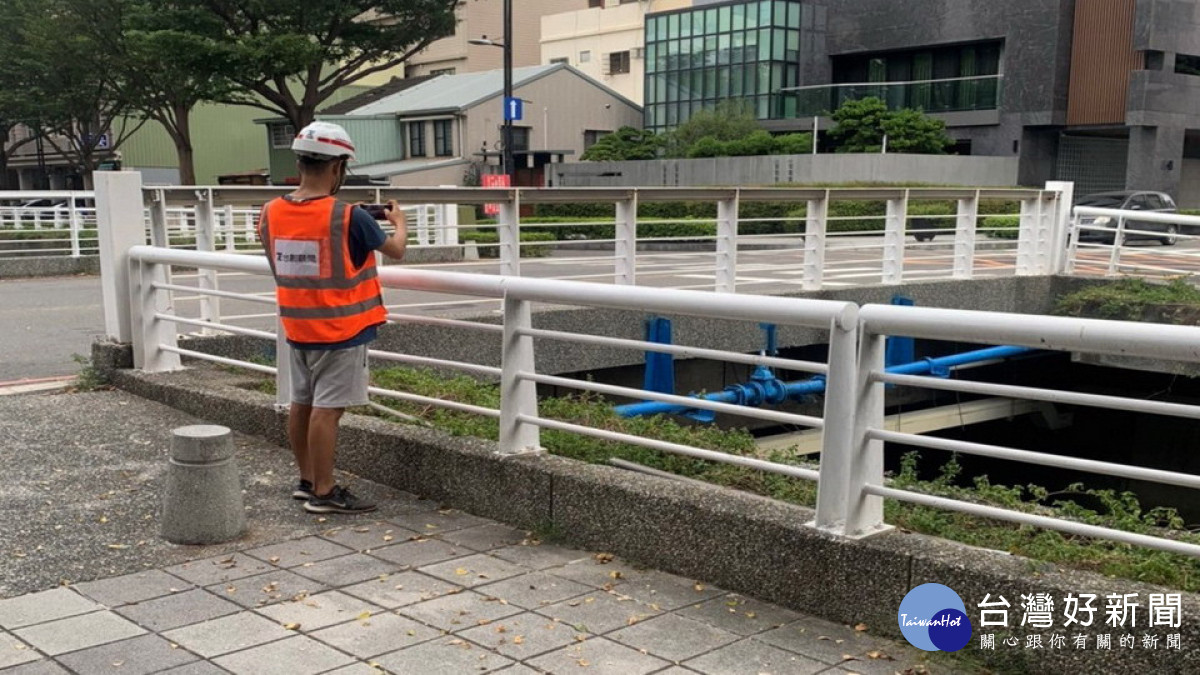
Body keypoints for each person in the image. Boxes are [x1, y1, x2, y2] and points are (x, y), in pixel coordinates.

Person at [257, 121, 407, 514]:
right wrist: (400, 223)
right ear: (339, 167)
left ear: (300, 161)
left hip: (297, 326)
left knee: (301, 403)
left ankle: (307, 480)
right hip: (342, 329)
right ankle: (325, 492)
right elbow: (396, 251)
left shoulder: (270, 213)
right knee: (328, 411)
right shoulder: (348, 217)